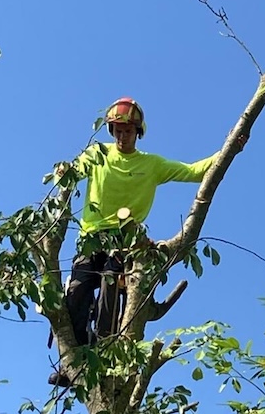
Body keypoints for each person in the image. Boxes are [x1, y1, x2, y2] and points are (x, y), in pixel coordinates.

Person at [60, 97, 246, 349]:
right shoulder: (98, 154)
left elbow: (194, 171)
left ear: (137, 132)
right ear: (111, 130)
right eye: (118, 131)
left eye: (127, 131)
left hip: (123, 241)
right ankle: (76, 354)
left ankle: (104, 350)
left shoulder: (151, 165)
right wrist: (64, 171)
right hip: (90, 239)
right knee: (76, 293)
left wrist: (229, 148)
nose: (122, 137)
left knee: (110, 289)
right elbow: (74, 172)